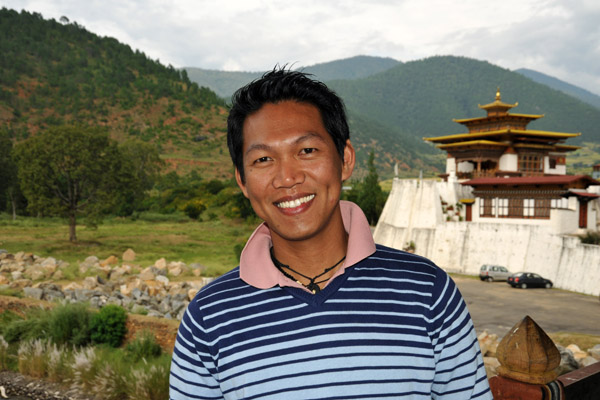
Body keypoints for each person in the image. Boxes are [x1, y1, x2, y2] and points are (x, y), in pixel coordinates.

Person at [169, 67, 492, 399]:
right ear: (243, 181)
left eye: (307, 151)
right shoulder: (209, 318)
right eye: (264, 159)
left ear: (345, 159)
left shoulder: (428, 293)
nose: (287, 177)